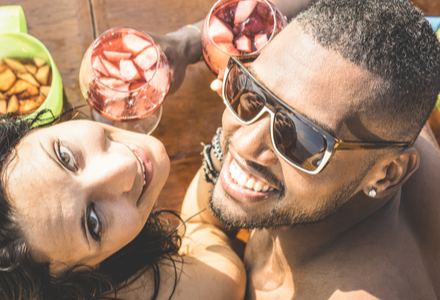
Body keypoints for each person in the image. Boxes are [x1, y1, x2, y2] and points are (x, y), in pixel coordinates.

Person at [0, 22, 245, 299]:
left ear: (26, 127)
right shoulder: (184, 289)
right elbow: (223, 267)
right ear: (81, 280)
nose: (124, 166)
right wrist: (230, 149)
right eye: (92, 222)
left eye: (64, 156)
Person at [178, 0, 440, 298]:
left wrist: (222, 280)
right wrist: (186, 42)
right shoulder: (379, 119)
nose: (245, 143)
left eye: (302, 138)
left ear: (387, 175)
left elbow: (195, 220)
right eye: (249, 90)